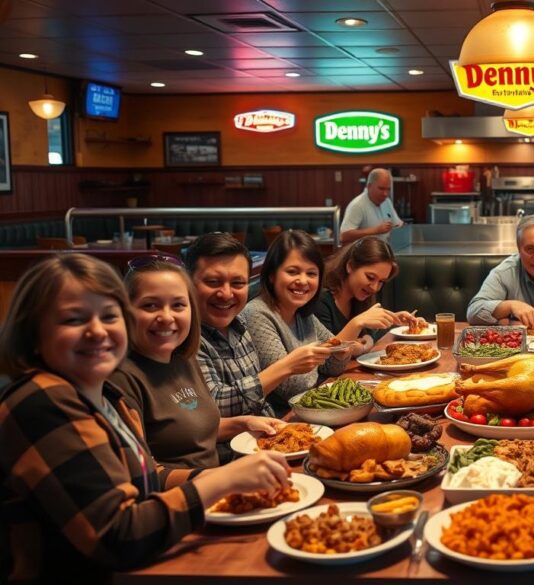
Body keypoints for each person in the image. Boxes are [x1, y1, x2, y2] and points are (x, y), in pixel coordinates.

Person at [0, 254, 290, 583]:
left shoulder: (106, 396)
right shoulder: (41, 401)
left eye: (109, 316)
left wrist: (236, 476)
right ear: (32, 330)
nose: (97, 331)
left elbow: (148, 475)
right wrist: (219, 482)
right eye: (73, 319)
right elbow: (117, 536)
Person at [109, 255, 285, 468]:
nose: (166, 317)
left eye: (178, 305)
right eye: (150, 305)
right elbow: (146, 475)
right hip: (187, 494)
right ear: (124, 312)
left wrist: (244, 423)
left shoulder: (184, 358)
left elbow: (194, 430)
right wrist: (224, 478)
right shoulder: (121, 380)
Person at [186, 233, 337, 419]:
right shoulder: (186, 336)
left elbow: (334, 358)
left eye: (237, 283)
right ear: (188, 283)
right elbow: (214, 405)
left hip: (272, 430)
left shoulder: (239, 326)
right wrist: (288, 366)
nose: (226, 294)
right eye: (213, 282)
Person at [241, 230, 365, 415]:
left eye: (311, 273)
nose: (303, 281)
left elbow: (333, 366)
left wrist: (340, 353)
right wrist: (356, 325)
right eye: (293, 272)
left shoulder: (303, 313)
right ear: (272, 275)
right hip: (282, 419)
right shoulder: (257, 313)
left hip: (312, 409)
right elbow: (291, 388)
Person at [313, 236, 419, 341]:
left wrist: (392, 320)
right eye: (370, 277)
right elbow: (327, 352)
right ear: (350, 266)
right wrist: (357, 323)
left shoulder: (360, 296)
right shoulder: (320, 300)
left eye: (381, 281)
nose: (374, 287)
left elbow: (369, 335)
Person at [340, 168, 403, 243]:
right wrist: (375, 230)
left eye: (388, 189)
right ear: (369, 186)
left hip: (385, 251)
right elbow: (344, 236)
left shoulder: (387, 201)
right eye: (381, 188)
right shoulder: (357, 205)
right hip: (364, 253)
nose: (385, 194)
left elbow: (398, 225)